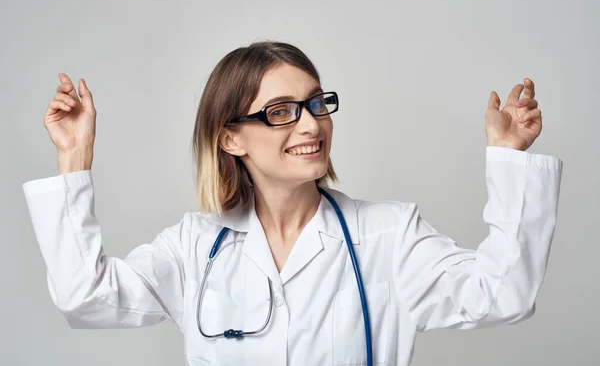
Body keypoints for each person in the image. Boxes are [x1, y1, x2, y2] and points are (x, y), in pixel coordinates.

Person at [22, 41, 563, 366]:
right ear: (230, 138)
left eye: (315, 103)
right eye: (281, 111)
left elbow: (504, 294)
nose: (311, 123)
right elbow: (84, 297)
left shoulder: (389, 236)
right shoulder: (194, 247)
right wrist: (74, 155)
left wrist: (509, 157)